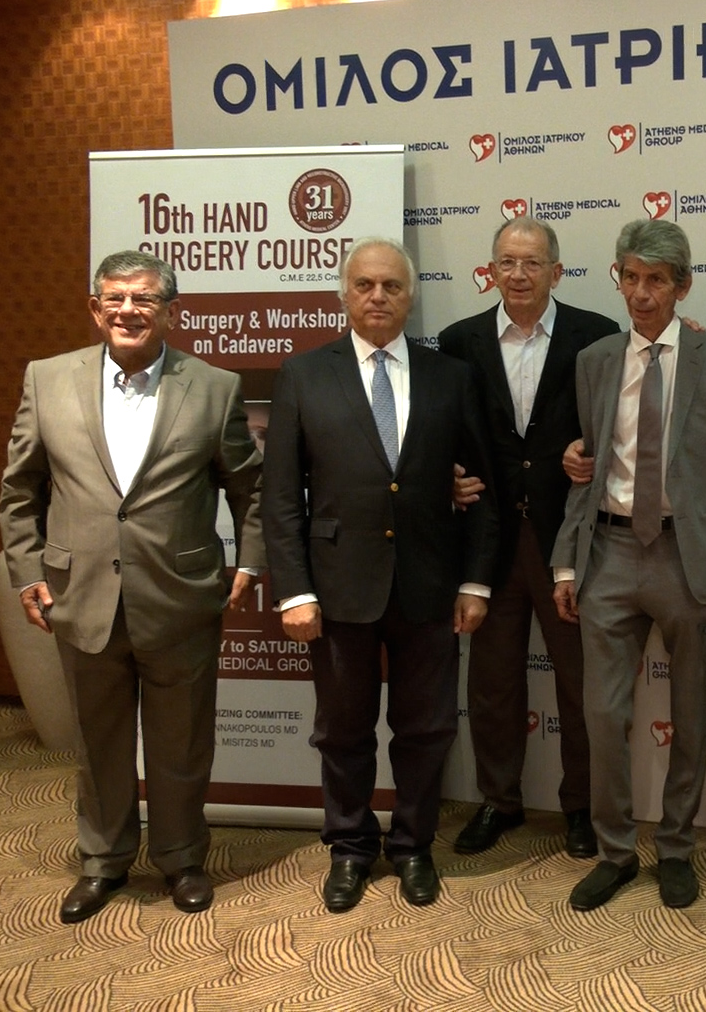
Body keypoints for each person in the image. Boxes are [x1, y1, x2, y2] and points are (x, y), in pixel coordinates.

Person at [0, 249, 263, 923]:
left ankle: (181, 858)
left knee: (181, 743)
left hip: (180, 598)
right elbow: (19, 490)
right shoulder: (47, 380)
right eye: (114, 299)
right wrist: (27, 573)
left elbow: (251, 489)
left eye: (144, 299)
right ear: (95, 309)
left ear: (170, 311)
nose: (128, 311)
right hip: (81, 596)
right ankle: (103, 861)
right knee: (99, 743)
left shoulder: (215, 387)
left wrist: (250, 563)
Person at [264, 238, 499, 912]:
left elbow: (482, 488)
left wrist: (475, 582)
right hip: (337, 588)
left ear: (410, 295)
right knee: (342, 731)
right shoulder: (304, 375)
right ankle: (350, 848)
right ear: (344, 294)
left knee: (426, 729)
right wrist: (295, 590)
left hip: (430, 585)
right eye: (365, 284)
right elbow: (280, 496)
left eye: (391, 286)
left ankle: (413, 846)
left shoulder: (450, 376)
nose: (377, 296)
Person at [549, 218, 706, 911]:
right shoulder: (596, 360)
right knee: (602, 716)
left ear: (682, 286)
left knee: (691, 715)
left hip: (686, 557)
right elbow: (587, 468)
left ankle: (675, 848)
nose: (640, 293)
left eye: (656, 280)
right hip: (607, 552)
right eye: (630, 277)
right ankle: (614, 852)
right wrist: (566, 563)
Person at [437, 217, 618, 859]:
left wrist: (587, 449)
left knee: (579, 683)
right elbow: (440, 429)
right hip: (487, 538)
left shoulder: (597, 335)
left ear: (556, 272)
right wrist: (444, 476)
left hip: (567, 537)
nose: (518, 275)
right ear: (490, 271)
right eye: (507, 263)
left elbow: (623, 424)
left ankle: (581, 806)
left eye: (532, 263)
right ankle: (499, 800)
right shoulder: (457, 341)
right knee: (492, 683)